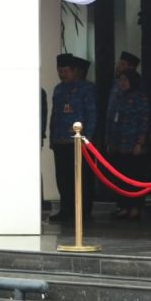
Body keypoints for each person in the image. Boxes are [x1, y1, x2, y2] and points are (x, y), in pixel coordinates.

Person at [49, 53, 97, 224]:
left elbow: (91, 115)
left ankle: (83, 211)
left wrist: (87, 138)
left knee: (81, 178)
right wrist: (52, 137)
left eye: (65, 71)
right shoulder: (58, 89)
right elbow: (54, 114)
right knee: (63, 178)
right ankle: (66, 209)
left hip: (79, 141)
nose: (61, 74)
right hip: (61, 140)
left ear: (74, 70)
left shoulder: (87, 88)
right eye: (59, 70)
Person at [106, 69, 150, 221]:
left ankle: (136, 208)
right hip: (119, 144)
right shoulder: (118, 97)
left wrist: (140, 142)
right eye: (120, 80)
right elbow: (112, 119)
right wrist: (110, 140)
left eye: (125, 79)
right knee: (121, 176)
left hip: (133, 143)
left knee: (135, 176)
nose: (122, 83)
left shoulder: (140, 98)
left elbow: (144, 120)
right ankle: (124, 206)